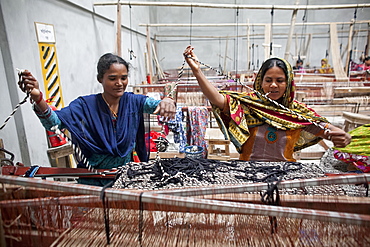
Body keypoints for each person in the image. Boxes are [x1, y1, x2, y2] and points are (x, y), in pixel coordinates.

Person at [18, 53, 176, 185]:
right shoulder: (85, 105)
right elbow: (54, 123)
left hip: (124, 179)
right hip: (92, 180)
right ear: (100, 78)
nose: (119, 83)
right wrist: (38, 99)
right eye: (113, 78)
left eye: (124, 78)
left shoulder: (133, 102)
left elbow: (157, 105)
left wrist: (167, 102)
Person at [183, 46, 351, 162]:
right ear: (260, 82)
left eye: (280, 80)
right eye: (268, 80)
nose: (273, 85)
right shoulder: (247, 105)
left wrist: (341, 135)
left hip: (285, 175)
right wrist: (197, 71)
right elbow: (217, 99)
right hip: (248, 173)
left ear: (288, 84)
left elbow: (325, 128)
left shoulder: (297, 113)